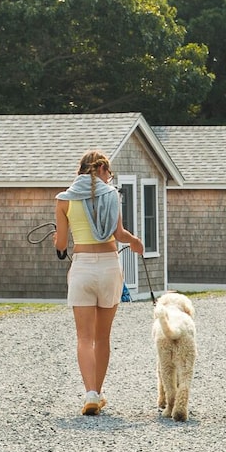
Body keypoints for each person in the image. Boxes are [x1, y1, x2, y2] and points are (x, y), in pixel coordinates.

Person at [54, 150, 144, 416]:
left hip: (82, 267)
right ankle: (100, 392)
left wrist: (57, 245)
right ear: (103, 169)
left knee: (84, 337)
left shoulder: (63, 200)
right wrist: (136, 243)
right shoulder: (111, 195)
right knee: (103, 337)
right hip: (108, 266)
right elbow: (120, 234)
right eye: (110, 173)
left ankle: (90, 393)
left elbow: (61, 244)